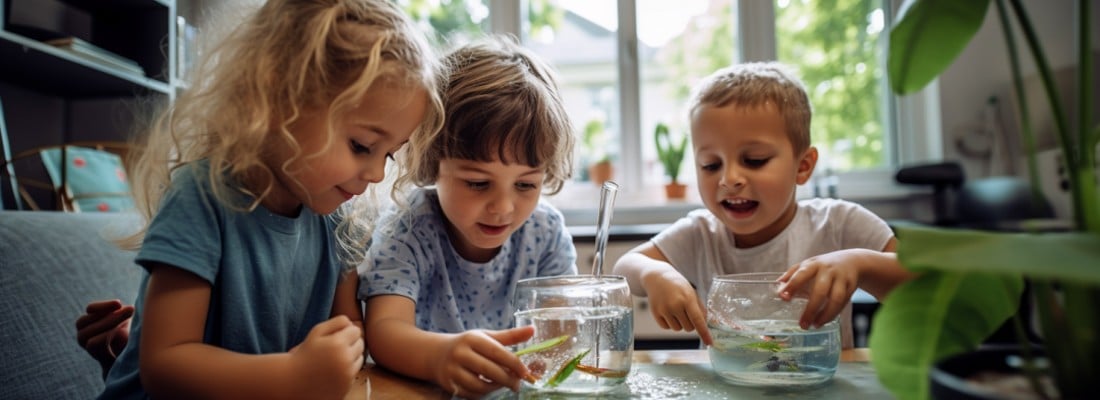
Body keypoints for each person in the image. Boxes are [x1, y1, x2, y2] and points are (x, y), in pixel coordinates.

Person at [94, 0, 444, 398]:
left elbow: (348, 335)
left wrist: (340, 352)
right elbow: (165, 366)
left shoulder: (339, 223)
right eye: (362, 145)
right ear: (279, 98)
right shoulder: (202, 197)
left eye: (390, 153)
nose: (378, 174)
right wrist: (294, 373)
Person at [611, 61, 913, 350]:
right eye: (710, 165)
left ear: (803, 166)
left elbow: (920, 284)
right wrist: (655, 274)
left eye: (754, 160)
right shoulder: (701, 233)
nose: (729, 179)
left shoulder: (840, 223)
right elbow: (624, 268)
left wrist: (861, 264)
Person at [360, 35, 577, 399]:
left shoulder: (546, 231)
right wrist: (440, 356)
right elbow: (383, 330)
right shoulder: (409, 226)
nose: (503, 207)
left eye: (525, 185)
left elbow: (563, 331)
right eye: (478, 183)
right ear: (433, 162)